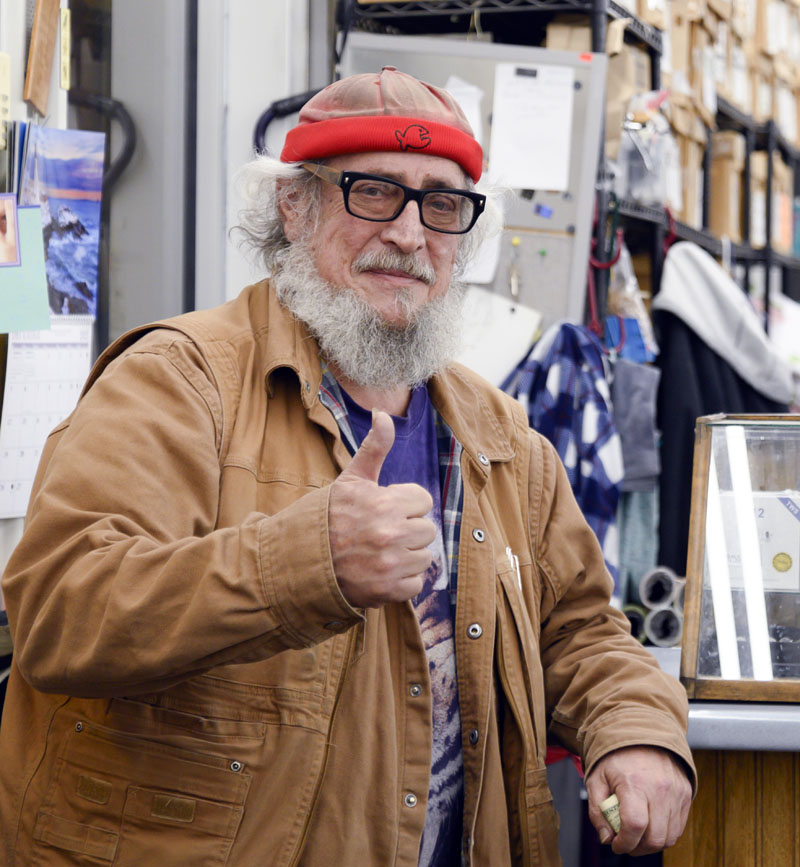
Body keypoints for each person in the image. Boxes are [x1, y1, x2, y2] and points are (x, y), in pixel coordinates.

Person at [0, 68, 693, 866]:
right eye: (373, 192)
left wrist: (636, 728)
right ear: (295, 208)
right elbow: (57, 611)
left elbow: (578, 629)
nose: (407, 234)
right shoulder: (180, 381)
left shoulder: (498, 435)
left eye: (441, 205)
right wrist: (303, 561)